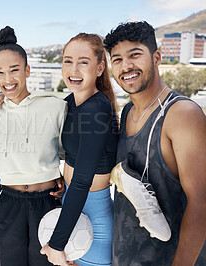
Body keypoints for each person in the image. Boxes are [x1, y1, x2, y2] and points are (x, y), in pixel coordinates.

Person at [104, 21, 206, 265]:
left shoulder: (181, 114)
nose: (126, 65)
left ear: (157, 57)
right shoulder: (128, 110)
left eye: (135, 55)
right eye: (117, 59)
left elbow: (201, 202)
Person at [0, 26, 67, 266]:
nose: (7, 80)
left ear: (27, 70)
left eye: (14, 70)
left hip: (48, 200)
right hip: (9, 202)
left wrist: (62, 178)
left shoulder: (55, 107)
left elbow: (66, 152)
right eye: (0, 73)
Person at [40, 33, 119, 266]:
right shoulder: (72, 102)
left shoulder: (97, 111)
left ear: (99, 68)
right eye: (67, 60)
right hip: (71, 206)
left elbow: (83, 182)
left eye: (83, 62)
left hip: (93, 219)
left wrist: (57, 244)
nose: (73, 69)